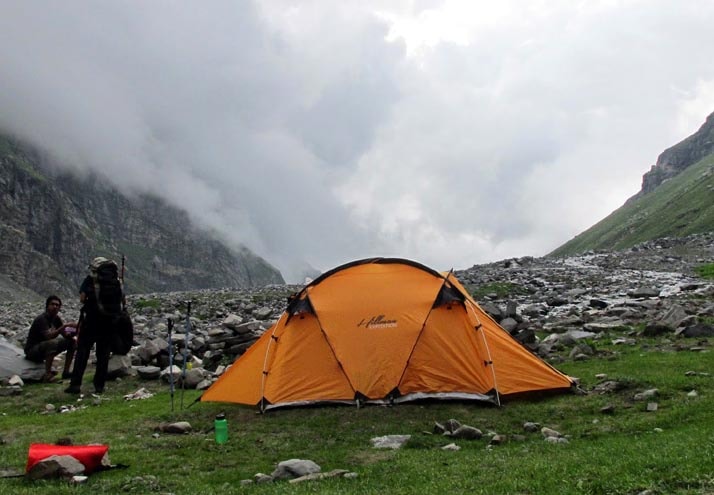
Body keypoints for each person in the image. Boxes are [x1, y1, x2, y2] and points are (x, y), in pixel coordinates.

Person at [65, 258, 120, 395]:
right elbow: (121, 299)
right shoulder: (115, 280)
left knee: (83, 351)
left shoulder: (90, 279)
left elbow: (82, 298)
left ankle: (75, 384)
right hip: (108, 321)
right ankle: (99, 386)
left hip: (91, 320)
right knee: (103, 354)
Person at [24, 295, 77, 382]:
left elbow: (65, 335)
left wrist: (76, 330)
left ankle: (66, 372)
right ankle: (47, 375)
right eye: (52, 304)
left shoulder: (56, 319)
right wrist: (64, 326)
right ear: (47, 306)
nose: (55, 307)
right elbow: (48, 336)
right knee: (52, 343)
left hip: (43, 349)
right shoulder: (41, 319)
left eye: (57, 305)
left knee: (71, 342)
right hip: (32, 350)